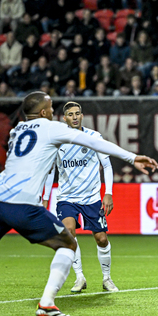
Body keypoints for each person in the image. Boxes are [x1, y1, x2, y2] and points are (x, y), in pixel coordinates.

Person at [0, 91, 158, 316]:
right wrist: (132, 157)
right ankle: (47, 303)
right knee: (68, 243)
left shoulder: (16, 130)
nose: (53, 112)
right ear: (42, 112)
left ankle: (76, 286)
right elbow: (93, 142)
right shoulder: (51, 128)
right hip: (22, 203)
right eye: (50, 108)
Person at [43, 101, 119, 293]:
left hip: (92, 197)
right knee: (68, 233)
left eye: (78, 113)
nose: (75, 117)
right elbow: (50, 171)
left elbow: (107, 165)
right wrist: (45, 197)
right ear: (64, 118)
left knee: (101, 239)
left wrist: (108, 193)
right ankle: (79, 277)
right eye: (71, 114)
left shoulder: (94, 137)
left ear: (82, 116)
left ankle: (107, 278)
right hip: (67, 198)